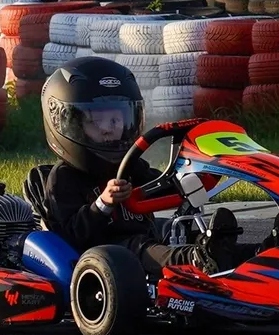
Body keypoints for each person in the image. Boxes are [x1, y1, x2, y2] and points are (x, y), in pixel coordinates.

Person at [24, 56, 257, 275]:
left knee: (177, 229)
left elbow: (161, 185)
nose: (108, 128)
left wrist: (191, 177)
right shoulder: (63, 179)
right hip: (103, 258)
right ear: (67, 124)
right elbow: (72, 236)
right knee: (139, 247)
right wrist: (103, 203)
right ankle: (198, 260)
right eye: (96, 121)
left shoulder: (130, 167)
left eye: (116, 120)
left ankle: (259, 253)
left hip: (144, 243)